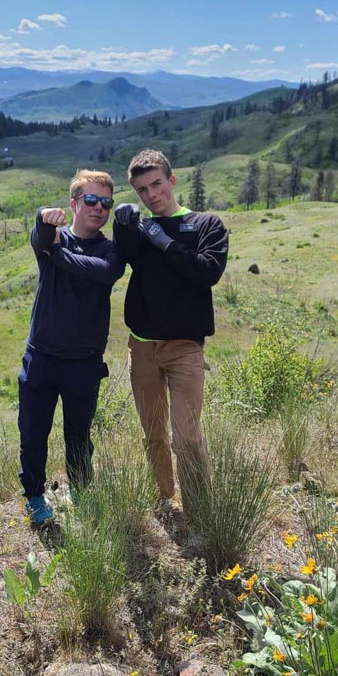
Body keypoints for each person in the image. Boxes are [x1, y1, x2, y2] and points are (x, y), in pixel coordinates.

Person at [113, 149, 228, 517]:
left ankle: (200, 512)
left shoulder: (207, 225)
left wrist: (164, 242)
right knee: (152, 431)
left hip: (185, 347)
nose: (151, 195)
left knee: (187, 434)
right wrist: (122, 226)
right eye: (142, 190)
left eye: (157, 184)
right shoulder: (141, 229)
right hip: (142, 346)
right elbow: (121, 257)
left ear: (172, 180)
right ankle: (164, 498)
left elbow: (207, 272)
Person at [18, 168, 124, 526]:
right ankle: (34, 496)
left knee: (79, 436)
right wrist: (42, 217)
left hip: (84, 363)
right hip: (42, 358)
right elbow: (39, 236)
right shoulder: (54, 237)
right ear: (74, 203)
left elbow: (104, 271)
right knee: (33, 432)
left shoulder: (111, 250)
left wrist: (58, 255)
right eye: (91, 200)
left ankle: (80, 489)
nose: (99, 208)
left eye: (106, 203)